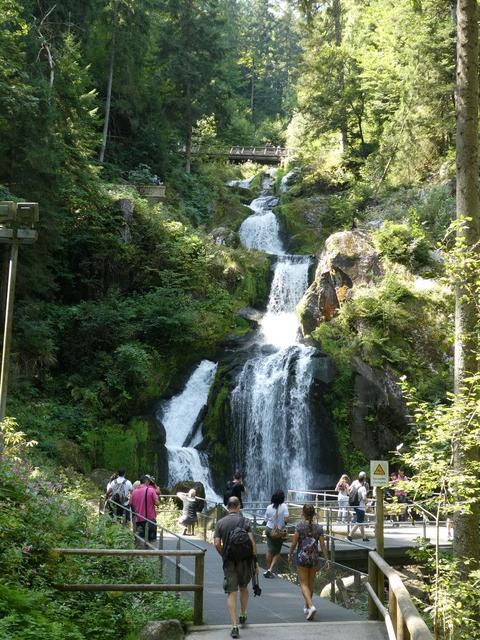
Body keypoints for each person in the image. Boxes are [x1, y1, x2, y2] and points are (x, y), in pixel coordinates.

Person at [214, 496, 259, 639]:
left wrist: (224, 555)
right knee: (244, 587)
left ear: (228, 507)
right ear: (239, 506)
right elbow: (252, 542)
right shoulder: (245, 521)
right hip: (245, 562)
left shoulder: (220, 523)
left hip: (229, 562)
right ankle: (243, 614)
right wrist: (255, 562)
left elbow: (216, 543)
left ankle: (234, 626)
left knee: (231, 592)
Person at [288, 504, 329, 621]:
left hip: (302, 558)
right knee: (310, 583)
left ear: (303, 513)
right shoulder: (319, 528)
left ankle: (311, 606)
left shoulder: (299, 527)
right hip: (314, 558)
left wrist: (290, 554)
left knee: (303, 583)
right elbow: (323, 545)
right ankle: (307, 607)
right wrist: (327, 559)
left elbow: (294, 543)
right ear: (314, 514)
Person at [263, 490, 289, 578]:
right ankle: (270, 570)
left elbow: (265, 520)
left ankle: (267, 570)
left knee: (270, 550)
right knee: (277, 552)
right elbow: (286, 520)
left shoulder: (269, 507)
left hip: (269, 529)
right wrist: (282, 526)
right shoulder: (284, 507)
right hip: (278, 532)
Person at [130, 475, 159, 545]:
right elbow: (157, 503)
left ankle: (140, 554)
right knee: (151, 542)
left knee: (139, 540)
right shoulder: (151, 490)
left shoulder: (134, 492)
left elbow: (130, 503)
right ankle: (150, 554)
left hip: (138, 520)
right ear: (146, 481)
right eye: (149, 481)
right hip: (150, 519)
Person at [347, 471, 370, 542]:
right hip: (361, 507)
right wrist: (367, 502)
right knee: (359, 522)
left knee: (361, 522)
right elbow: (364, 498)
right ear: (364, 479)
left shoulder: (355, 484)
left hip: (355, 505)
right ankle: (350, 535)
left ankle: (364, 537)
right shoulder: (363, 488)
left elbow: (349, 490)